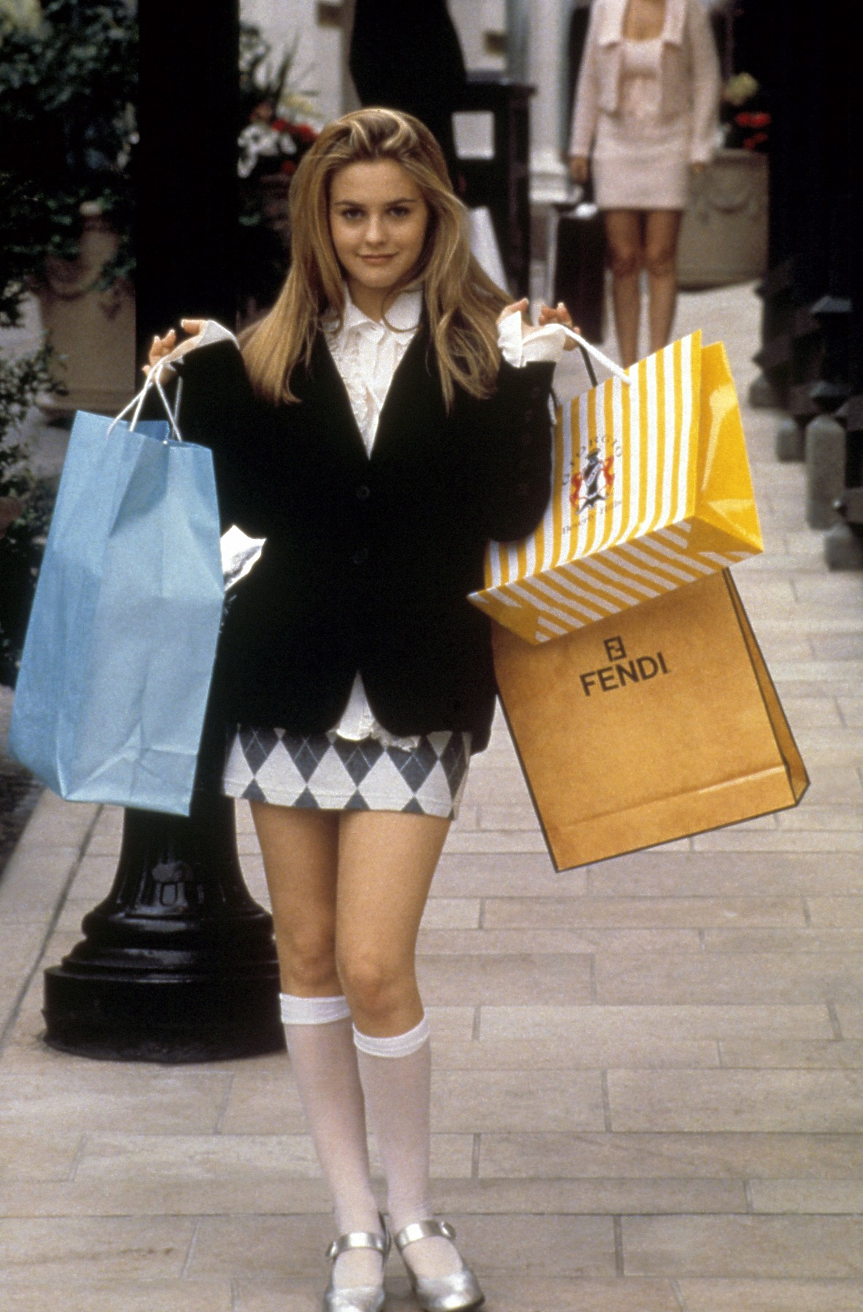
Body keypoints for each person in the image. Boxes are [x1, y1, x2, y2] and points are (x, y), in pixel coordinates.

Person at [147, 107, 574, 1312]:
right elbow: (230, 501)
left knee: (377, 962)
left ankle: (417, 1211)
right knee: (306, 952)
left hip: (416, 690)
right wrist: (189, 377)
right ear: (317, 223)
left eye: (396, 211)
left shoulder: (483, 348)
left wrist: (531, 374)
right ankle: (351, 1222)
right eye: (350, 213)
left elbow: (510, 508)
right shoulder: (263, 353)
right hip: (281, 688)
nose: (374, 234)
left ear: (434, 218)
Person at [568, 0, 720, 366]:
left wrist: (700, 145)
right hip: (615, 143)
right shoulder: (605, 7)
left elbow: (707, 77)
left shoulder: (688, 9)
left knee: (660, 256)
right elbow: (589, 78)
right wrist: (580, 146)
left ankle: (656, 364)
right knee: (623, 259)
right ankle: (628, 368)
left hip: (670, 142)